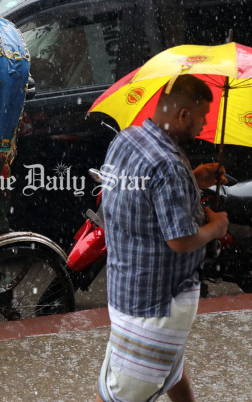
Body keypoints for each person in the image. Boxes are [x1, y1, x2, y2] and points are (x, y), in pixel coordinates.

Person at [96, 74, 229, 402]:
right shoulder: (168, 164)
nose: (204, 124)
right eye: (202, 117)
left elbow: (140, 200)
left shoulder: (128, 139)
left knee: (169, 368)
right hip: (157, 302)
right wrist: (217, 227)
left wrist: (192, 179)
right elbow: (180, 240)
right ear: (184, 115)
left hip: (126, 285)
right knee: (122, 394)